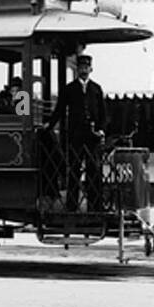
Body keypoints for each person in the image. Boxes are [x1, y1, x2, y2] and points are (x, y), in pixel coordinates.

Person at [44, 53, 107, 212]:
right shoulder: (69, 89)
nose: (84, 70)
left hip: (92, 136)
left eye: (86, 67)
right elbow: (59, 109)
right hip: (75, 136)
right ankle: (71, 206)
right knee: (74, 169)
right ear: (77, 69)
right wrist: (49, 126)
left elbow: (103, 113)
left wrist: (101, 130)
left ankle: (95, 207)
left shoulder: (96, 89)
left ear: (91, 69)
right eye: (81, 68)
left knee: (94, 170)